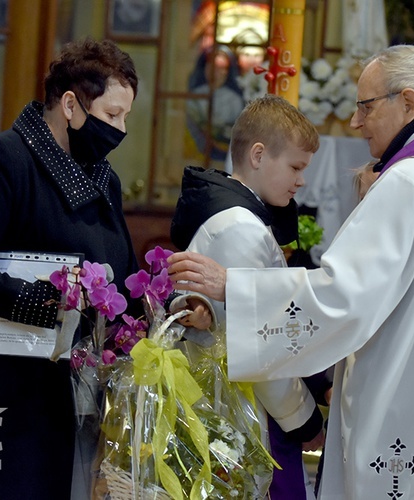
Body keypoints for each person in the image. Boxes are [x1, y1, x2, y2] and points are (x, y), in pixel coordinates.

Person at [167, 44, 414, 499]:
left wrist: (235, 286)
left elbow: (340, 296)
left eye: (365, 106)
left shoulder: (410, 181)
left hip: (412, 391)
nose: (355, 122)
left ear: (407, 102)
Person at [0, 38, 145, 500]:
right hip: (6, 397)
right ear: (70, 105)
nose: (121, 129)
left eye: (126, 116)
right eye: (111, 115)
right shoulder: (1, 158)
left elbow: (120, 273)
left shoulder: (104, 179)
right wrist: (52, 302)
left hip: (74, 397)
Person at [170, 94, 328, 499]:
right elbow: (259, 343)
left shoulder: (237, 215)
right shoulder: (240, 227)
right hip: (248, 415)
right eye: (295, 166)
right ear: (258, 155)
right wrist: (305, 420)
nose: (302, 180)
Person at [186, 45, 246, 162]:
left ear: (227, 72)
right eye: (211, 66)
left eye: (222, 67)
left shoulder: (235, 100)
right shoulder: (194, 96)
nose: (216, 72)